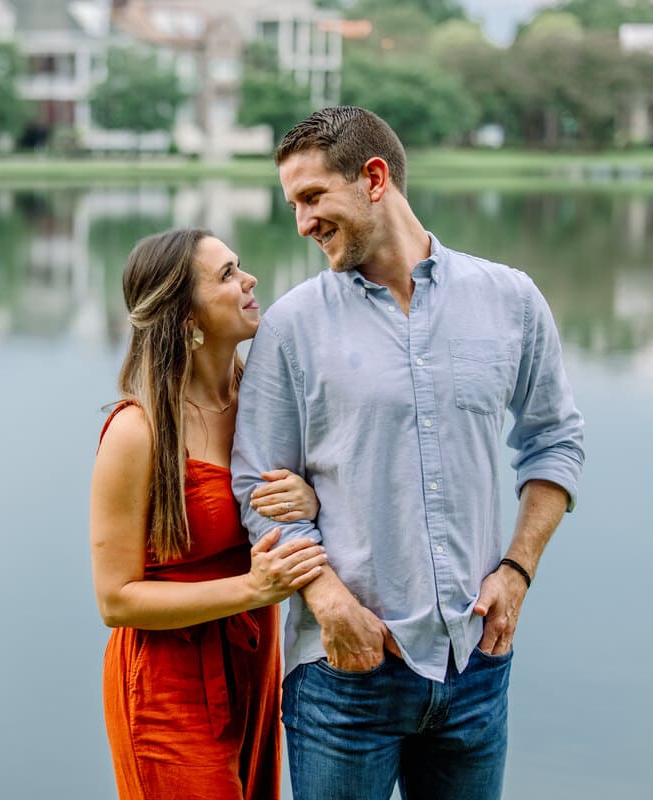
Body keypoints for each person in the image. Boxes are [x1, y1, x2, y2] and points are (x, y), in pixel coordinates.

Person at [230, 107, 586, 800]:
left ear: (373, 178)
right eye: (293, 205)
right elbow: (257, 485)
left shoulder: (510, 299)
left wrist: (517, 572)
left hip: (478, 663)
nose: (302, 224)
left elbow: (555, 441)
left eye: (311, 198)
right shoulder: (290, 327)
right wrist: (330, 603)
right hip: (343, 675)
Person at [89, 228, 329, 800]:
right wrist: (250, 589)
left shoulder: (266, 402)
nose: (249, 281)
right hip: (168, 683)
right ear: (185, 317)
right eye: (226, 275)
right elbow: (115, 599)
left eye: (239, 265)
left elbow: (329, 491)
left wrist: (312, 500)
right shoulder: (137, 431)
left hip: (254, 662)